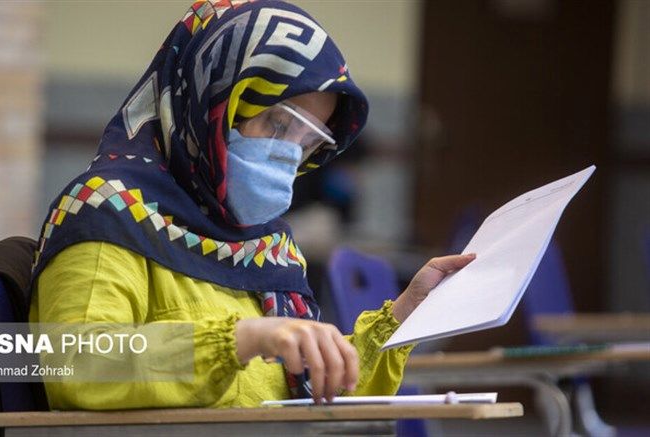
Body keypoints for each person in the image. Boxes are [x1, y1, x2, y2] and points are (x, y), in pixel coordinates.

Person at [30, 0, 475, 409]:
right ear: (212, 103)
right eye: (278, 123)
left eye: (309, 140)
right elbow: (70, 362)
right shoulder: (106, 212)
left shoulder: (266, 243)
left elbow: (315, 391)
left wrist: (406, 312)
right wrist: (241, 339)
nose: (290, 154)